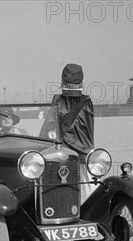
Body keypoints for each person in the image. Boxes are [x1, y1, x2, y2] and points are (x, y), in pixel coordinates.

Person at [40, 63, 96, 203]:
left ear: (62, 80)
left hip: (62, 150)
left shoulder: (57, 100)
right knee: (92, 189)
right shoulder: (86, 101)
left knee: (61, 184)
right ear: (81, 81)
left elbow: (49, 125)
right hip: (85, 149)